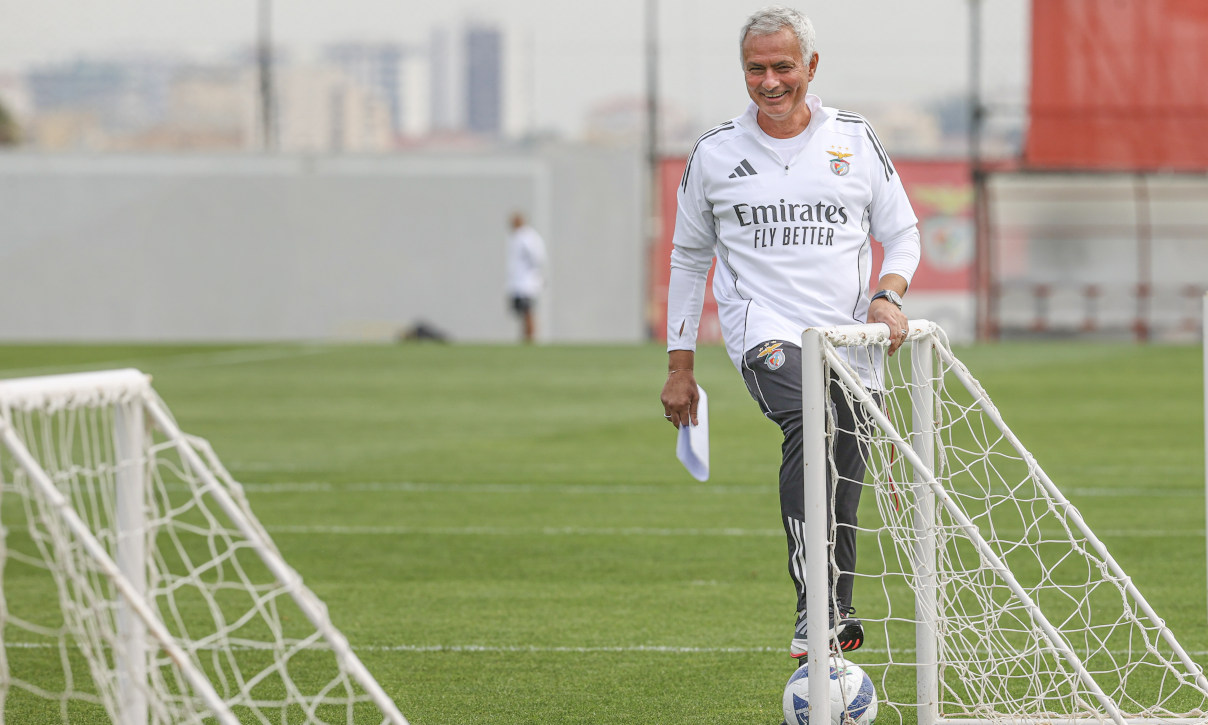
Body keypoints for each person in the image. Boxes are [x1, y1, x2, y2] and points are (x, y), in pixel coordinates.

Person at [658, 5, 920, 664]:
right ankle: (815, 607)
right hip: (763, 329)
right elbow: (688, 258)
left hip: (852, 340)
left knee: (846, 468)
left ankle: (837, 606)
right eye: (755, 68)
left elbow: (905, 232)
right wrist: (680, 364)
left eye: (782, 66)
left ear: (811, 66)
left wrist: (889, 294)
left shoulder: (855, 140)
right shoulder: (715, 152)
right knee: (814, 417)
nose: (770, 81)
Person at [505, 212, 547, 343]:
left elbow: (537, 256)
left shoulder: (527, 237)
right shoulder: (517, 236)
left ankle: (530, 338)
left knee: (528, 310)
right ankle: (526, 337)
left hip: (526, 281)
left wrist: (535, 274)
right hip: (518, 281)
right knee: (522, 311)